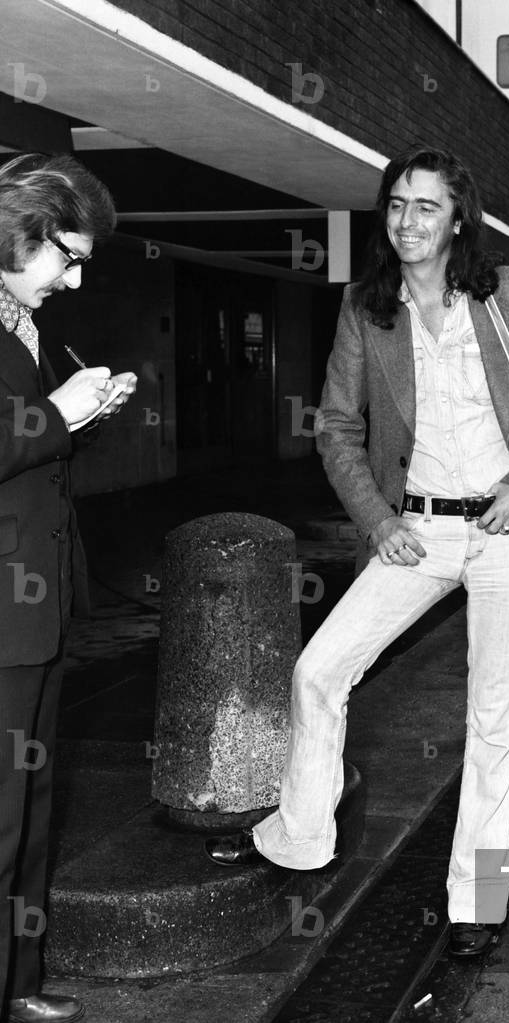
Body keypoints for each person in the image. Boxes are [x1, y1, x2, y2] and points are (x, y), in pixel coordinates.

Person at [206, 146, 509, 956]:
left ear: (456, 218)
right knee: (319, 667)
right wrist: (376, 520)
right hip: (415, 528)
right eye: (397, 205)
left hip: (505, 527)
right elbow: (336, 426)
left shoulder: (506, 290)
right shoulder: (364, 307)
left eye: (425, 206)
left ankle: (477, 899)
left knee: (492, 719)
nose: (408, 221)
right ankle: (301, 832)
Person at [0, 153, 136, 1022]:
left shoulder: (21, 319)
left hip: (34, 606)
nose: (77, 279)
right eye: (68, 255)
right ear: (21, 229)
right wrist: (60, 415)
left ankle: (19, 985)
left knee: (32, 806)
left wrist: (74, 414)